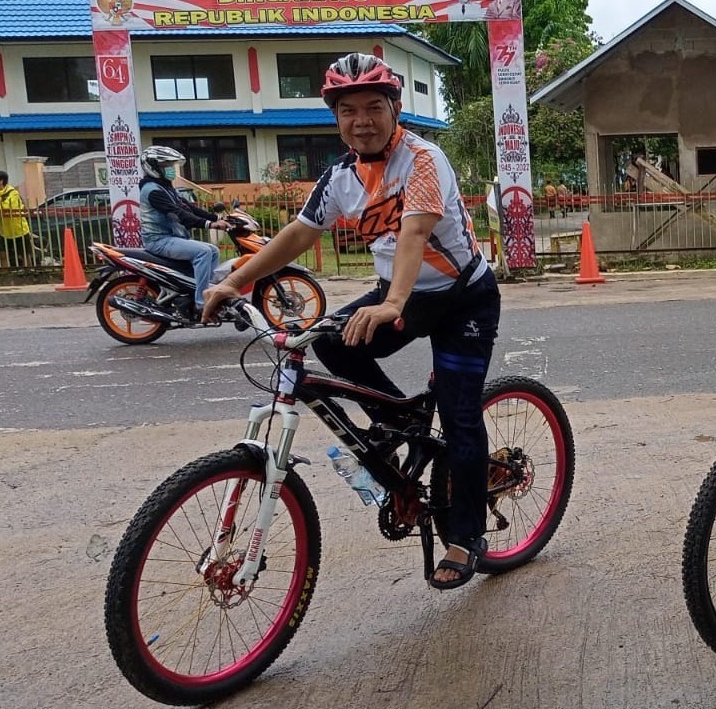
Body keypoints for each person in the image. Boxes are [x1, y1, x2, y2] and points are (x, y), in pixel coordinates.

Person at [202, 53, 501, 591]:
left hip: (461, 299)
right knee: (333, 346)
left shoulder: (424, 159)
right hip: (399, 294)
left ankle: (466, 535)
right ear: (336, 118)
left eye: (373, 108)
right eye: (348, 110)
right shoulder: (340, 175)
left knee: (460, 416)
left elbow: (413, 235)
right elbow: (297, 234)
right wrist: (234, 281)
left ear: (395, 109)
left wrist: (392, 305)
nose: (361, 120)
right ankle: (403, 425)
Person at [137, 145, 227, 320]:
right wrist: (209, 224)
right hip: (158, 240)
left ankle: (207, 291)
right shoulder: (153, 191)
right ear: (153, 166)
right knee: (203, 252)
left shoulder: (164, 187)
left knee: (213, 250)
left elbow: (188, 207)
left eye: (171, 164)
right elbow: (180, 214)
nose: (171, 169)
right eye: (166, 165)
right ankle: (202, 303)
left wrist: (215, 218)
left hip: (170, 238)